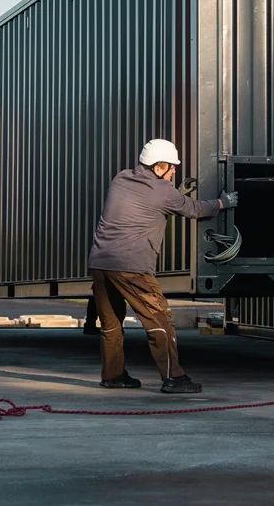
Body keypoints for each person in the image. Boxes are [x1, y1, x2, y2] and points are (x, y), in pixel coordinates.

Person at [88, 138, 237, 393]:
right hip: (132, 267)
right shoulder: (162, 191)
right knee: (160, 321)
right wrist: (223, 203)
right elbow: (193, 209)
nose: (174, 170)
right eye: (171, 167)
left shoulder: (121, 178)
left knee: (111, 324)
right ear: (158, 168)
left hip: (100, 263)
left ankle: (113, 375)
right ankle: (174, 378)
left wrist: (173, 192)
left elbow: (152, 202)